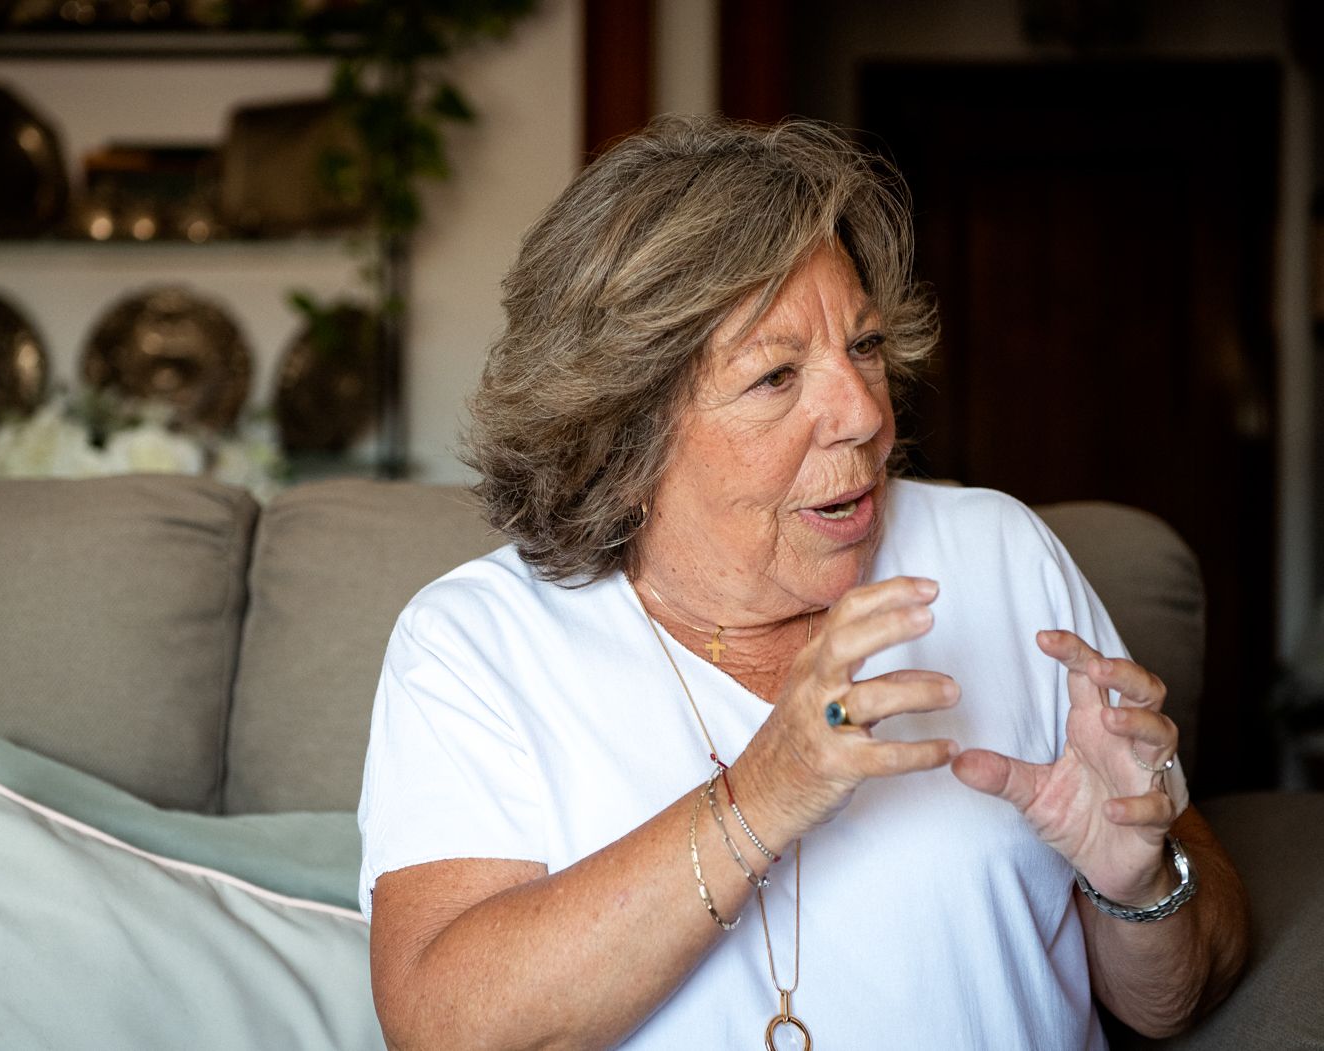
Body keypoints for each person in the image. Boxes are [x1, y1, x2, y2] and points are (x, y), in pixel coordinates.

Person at [357, 115, 1248, 1050]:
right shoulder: (475, 643)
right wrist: (763, 795)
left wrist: (1139, 889)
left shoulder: (1000, 554)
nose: (863, 413)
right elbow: (443, 1029)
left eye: (862, 346)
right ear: (621, 438)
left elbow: (1172, 1000)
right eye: (776, 375)